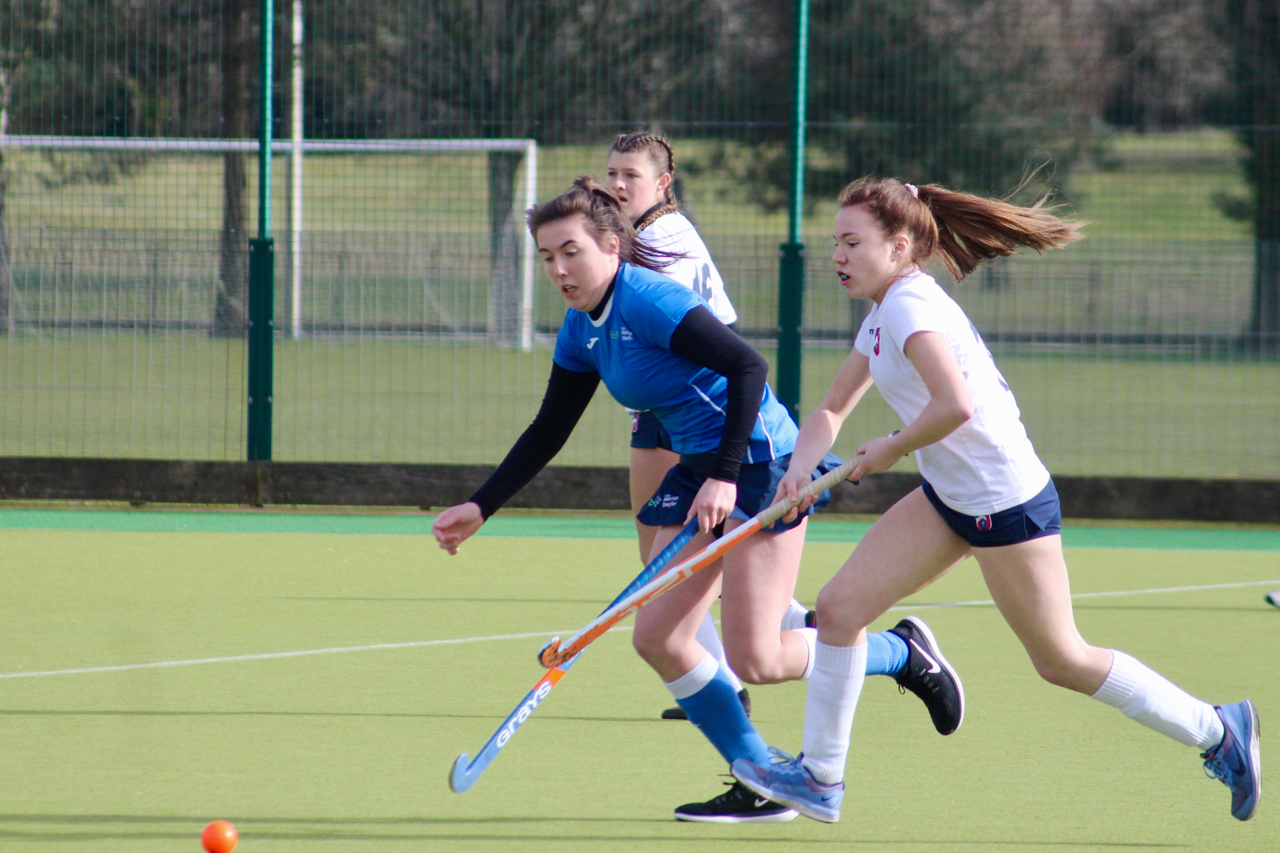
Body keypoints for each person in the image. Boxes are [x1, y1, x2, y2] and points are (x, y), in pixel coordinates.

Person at [728, 177, 1262, 824]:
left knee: (1061, 658)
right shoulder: (883, 312)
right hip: (949, 498)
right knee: (839, 609)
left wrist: (892, 448)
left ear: (901, 246)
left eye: (851, 242)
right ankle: (820, 776)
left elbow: (957, 404)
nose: (837, 255)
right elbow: (831, 410)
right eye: (833, 242)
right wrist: (797, 473)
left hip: (1006, 503)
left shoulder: (908, 308)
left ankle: (1219, 730)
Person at [432, 176, 965, 823]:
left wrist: (725, 475)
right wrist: (481, 505)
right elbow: (550, 426)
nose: (559, 269)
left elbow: (748, 368)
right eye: (547, 257)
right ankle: (764, 778)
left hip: (760, 460)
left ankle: (900, 652)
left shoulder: (650, 300)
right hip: (700, 466)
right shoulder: (582, 329)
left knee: (758, 657)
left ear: (610, 244)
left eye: (570, 251)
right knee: (656, 635)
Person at [605, 130, 809, 721]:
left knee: (674, 561)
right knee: (661, 555)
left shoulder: (660, 239)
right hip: (657, 412)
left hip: (695, 410)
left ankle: (769, 648)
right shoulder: (647, 232)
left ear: (662, 184)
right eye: (612, 173)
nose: (618, 185)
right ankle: (731, 672)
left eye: (631, 176)